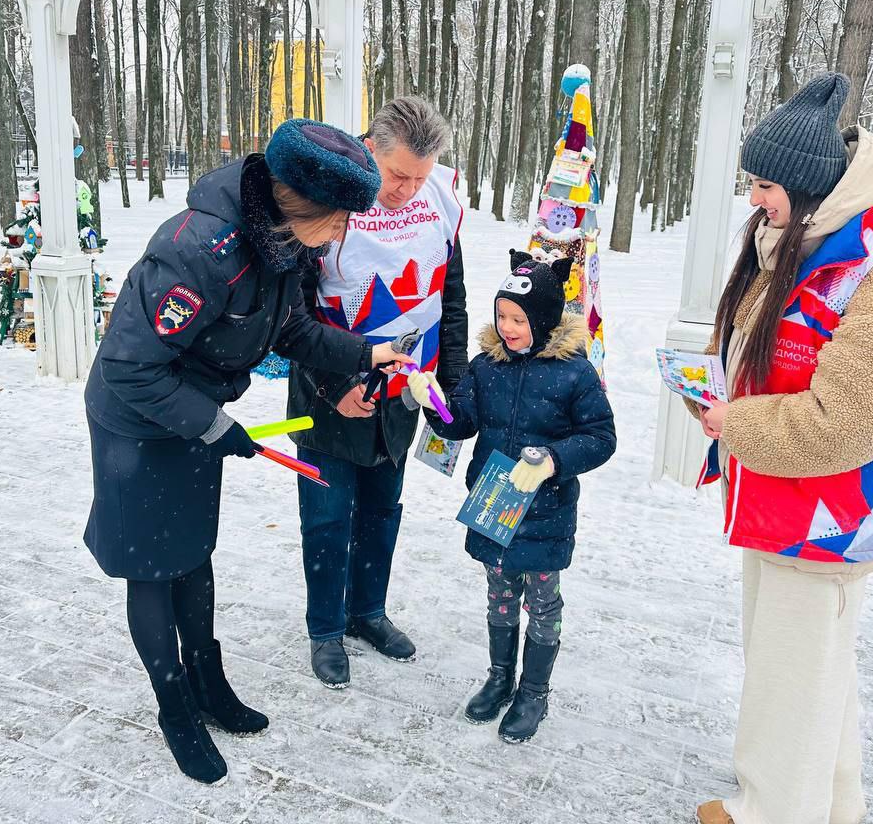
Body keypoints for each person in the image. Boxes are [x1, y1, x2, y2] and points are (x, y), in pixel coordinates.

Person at [82, 120, 412, 785]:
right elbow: (129, 369)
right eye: (343, 219)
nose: (347, 232)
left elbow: (289, 327)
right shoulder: (200, 250)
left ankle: (209, 684)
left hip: (194, 416)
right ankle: (174, 706)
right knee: (153, 567)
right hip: (139, 424)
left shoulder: (283, 243)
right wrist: (211, 425)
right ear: (306, 207)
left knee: (193, 554)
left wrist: (363, 352)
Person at [690, 74, 873, 824]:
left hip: (830, 516)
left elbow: (854, 420)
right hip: (784, 503)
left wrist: (739, 426)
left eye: (764, 184)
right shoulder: (801, 241)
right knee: (815, 670)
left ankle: (772, 812)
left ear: (807, 184)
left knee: (790, 680)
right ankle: (834, 805)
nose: (753, 199)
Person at [286, 96, 467, 689]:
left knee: (382, 510)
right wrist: (334, 385)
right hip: (328, 390)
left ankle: (367, 612)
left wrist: (453, 385)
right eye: (397, 175)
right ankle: (324, 628)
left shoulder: (438, 198)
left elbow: (453, 299)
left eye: (420, 175)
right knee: (327, 514)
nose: (409, 189)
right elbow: (293, 311)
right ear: (370, 152)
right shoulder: (329, 197)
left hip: (403, 387)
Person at [410, 251, 616, 743]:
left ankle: (534, 691)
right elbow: (462, 421)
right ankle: (500, 676)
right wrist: (432, 401)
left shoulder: (574, 373)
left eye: (519, 319)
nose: (508, 327)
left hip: (545, 511)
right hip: (494, 503)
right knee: (499, 594)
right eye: (502, 315)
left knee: (542, 602)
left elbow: (601, 437)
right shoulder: (486, 367)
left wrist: (553, 461)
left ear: (543, 320)